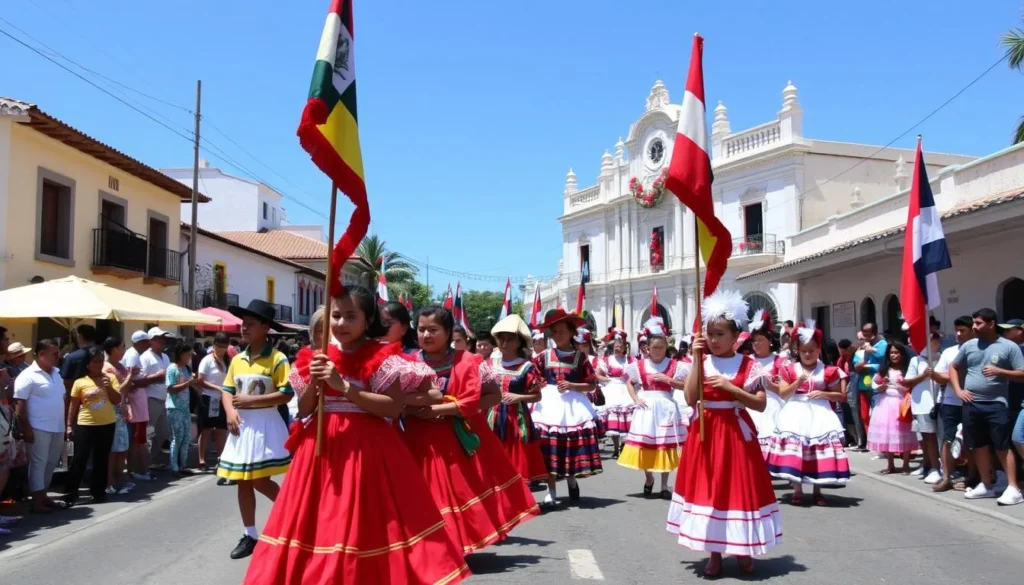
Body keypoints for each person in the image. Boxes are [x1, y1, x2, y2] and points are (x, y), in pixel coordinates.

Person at [243, 287, 469, 585]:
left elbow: (392, 406)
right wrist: (316, 382)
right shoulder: (318, 356)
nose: (341, 324)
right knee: (321, 521)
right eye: (336, 315)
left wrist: (344, 385)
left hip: (367, 450)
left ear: (368, 319)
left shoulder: (384, 358)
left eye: (351, 316)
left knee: (362, 522)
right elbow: (306, 410)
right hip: (320, 450)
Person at [405, 305, 539, 553]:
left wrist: (446, 410)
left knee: (455, 492)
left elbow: (493, 396)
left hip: (457, 438)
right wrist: (412, 409)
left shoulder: (470, 362)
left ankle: (455, 546)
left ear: (447, 332)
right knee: (424, 493)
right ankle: (433, 546)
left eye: (433, 329)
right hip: (418, 440)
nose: (426, 335)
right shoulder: (407, 363)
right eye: (422, 329)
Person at [666, 290, 781, 578]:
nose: (713, 340)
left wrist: (733, 390)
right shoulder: (701, 362)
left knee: (738, 491)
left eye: (719, 334)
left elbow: (761, 404)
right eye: (710, 334)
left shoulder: (748, 365)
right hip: (705, 432)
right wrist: (695, 357)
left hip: (736, 433)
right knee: (711, 491)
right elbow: (691, 399)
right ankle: (714, 553)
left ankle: (742, 548)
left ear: (735, 337)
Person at [219, 300, 294, 559]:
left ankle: (295, 513)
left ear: (265, 328)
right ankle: (250, 534)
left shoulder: (278, 358)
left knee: (260, 479)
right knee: (242, 481)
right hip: (242, 426)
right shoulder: (237, 359)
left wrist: (251, 401)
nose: (244, 329)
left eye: (250, 325)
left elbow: (286, 394)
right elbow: (228, 390)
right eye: (243, 324)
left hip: (265, 424)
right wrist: (230, 412)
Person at [766, 320, 850, 505]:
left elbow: (840, 396)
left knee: (816, 450)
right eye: (804, 350)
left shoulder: (828, 371)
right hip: (795, 411)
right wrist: (798, 382)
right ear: (798, 350)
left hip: (820, 412)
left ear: (818, 349)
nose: (807, 354)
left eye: (811, 350)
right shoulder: (789, 369)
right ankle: (797, 489)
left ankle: (817, 491)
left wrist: (824, 393)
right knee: (797, 449)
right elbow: (783, 393)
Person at [948, 308, 1024, 504]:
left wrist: (1000, 371)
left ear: (991, 324)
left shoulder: (1008, 347)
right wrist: (958, 390)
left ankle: (1013, 488)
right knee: (978, 446)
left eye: (979, 323)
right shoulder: (969, 345)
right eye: (973, 323)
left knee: (1002, 445)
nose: (974, 327)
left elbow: (1022, 373)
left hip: (997, 404)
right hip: (971, 404)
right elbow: (954, 367)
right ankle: (986, 485)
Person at [530, 308, 603, 506]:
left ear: (571, 333)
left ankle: (571, 479)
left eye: (562, 331)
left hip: (573, 406)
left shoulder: (581, 358)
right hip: (548, 405)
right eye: (554, 332)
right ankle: (551, 490)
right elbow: (534, 378)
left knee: (569, 446)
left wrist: (572, 385)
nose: (557, 336)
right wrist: (540, 386)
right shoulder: (542, 356)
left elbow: (591, 384)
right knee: (549, 448)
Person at [618, 317, 687, 499]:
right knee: (646, 445)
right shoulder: (639, 365)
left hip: (666, 407)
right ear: (647, 348)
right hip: (647, 407)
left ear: (666, 347)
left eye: (661, 347)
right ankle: (649, 477)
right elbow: (630, 382)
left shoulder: (675, 365)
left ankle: (664, 485)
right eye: (654, 347)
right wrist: (636, 399)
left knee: (665, 445)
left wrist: (669, 381)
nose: (658, 351)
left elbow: (686, 385)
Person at [487, 315, 548, 485]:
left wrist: (518, 397)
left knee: (515, 457)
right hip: (490, 417)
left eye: (510, 340)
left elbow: (537, 395)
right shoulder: (490, 363)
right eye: (501, 339)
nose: (504, 344)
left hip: (515, 419)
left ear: (519, 342)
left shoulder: (527, 367)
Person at [13, 339, 68, 513]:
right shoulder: (28, 375)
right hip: (38, 427)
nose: (58, 356)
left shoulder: (56, 373)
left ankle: (43, 496)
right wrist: (27, 428)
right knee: (38, 463)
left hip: (57, 427)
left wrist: (65, 424)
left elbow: (62, 399)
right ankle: (36, 501)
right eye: (54, 353)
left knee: (51, 463)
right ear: (41, 355)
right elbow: (19, 405)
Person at [65, 346, 122, 504]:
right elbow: (73, 405)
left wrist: (108, 387)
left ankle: (98, 492)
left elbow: (117, 400)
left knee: (101, 459)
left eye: (101, 361)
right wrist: (69, 425)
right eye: (95, 362)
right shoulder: (80, 382)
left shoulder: (109, 378)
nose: (99, 365)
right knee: (79, 459)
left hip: (107, 423)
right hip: (85, 424)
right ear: (87, 364)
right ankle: (71, 492)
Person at [930, 316, 975, 492]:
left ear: (972, 330)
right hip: (950, 402)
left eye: (962, 330)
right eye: (956, 330)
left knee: (972, 441)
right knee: (947, 440)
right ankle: (947, 477)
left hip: (972, 401)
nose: (958, 334)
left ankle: (973, 475)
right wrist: (951, 377)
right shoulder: (949, 352)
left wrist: (952, 377)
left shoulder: (980, 350)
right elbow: (939, 375)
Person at [869, 342, 918, 474]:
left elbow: (910, 386)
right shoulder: (884, 370)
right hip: (885, 403)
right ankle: (890, 464)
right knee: (887, 434)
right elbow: (874, 385)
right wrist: (881, 386)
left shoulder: (907, 370)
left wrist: (899, 385)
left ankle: (906, 464)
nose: (894, 355)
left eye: (897, 353)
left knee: (905, 433)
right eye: (891, 353)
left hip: (902, 403)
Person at [745, 310, 786, 458]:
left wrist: (767, 384)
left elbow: (784, 391)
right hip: (751, 404)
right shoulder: (747, 361)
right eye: (753, 341)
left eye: (760, 340)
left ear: (769, 341)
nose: (756, 344)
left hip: (773, 406)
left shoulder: (780, 361)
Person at [904, 333, 942, 484]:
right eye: (932, 339)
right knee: (926, 437)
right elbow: (907, 381)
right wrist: (923, 375)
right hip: (922, 404)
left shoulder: (943, 356)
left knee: (939, 437)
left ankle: (939, 466)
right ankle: (929, 466)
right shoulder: (916, 360)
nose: (935, 342)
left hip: (940, 401)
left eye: (937, 339)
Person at [102, 337, 135, 495]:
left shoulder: (120, 366)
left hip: (121, 410)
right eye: (122, 347)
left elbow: (126, 391)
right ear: (114, 349)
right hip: (111, 411)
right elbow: (115, 391)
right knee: (112, 449)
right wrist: (129, 378)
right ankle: (109, 482)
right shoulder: (106, 368)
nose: (124, 350)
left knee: (122, 447)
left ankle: (120, 479)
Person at [596, 329, 636, 457]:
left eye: (620, 347)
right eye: (616, 347)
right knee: (613, 417)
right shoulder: (608, 360)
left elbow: (636, 375)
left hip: (626, 388)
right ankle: (615, 447)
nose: (617, 349)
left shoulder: (630, 360)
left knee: (626, 417)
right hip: (612, 389)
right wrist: (608, 379)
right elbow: (597, 374)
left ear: (624, 348)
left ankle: (625, 444)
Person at [197, 332, 230, 478]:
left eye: (225, 346)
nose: (222, 349)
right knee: (207, 429)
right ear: (215, 345)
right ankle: (201, 458)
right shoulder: (207, 360)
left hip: (223, 399)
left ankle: (220, 457)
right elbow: (200, 380)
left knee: (221, 429)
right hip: (209, 397)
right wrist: (218, 388)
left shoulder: (227, 360)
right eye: (220, 346)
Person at [138, 327, 173, 471]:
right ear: (151, 341)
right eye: (158, 338)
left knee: (162, 431)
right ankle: (145, 462)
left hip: (165, 398)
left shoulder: (165, 357)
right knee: (149, 431)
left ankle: (154, 458)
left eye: (163, 338)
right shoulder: (145, 357)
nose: (162, 341)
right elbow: (140, 379)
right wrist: (157, 377)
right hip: (151, 398)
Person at [120, 331, 151, 482]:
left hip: (139, 400)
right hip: (135, 402)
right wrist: (145, 380)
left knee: (138, 439)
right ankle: (133, 470)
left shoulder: (135, 354)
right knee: (136, 439)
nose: (149, 344)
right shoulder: (132, 355)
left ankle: (136, 469)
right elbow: (130, 379)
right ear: (140, 342)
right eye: (146, 341)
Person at [165, 344, 195, 478]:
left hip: (185, 407)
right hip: (174, 406)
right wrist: (187, 384)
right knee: (177, 436)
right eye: (187, 354)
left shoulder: (186, 369)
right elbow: (170, 388)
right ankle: (174, 465)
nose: (189, 357)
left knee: (186, 436)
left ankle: (183, 464)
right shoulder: (172, 368)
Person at [60, 324, 98, 396]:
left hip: (76, 397)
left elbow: (65, 381)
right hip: (99, 395)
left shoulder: (72, 357)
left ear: (80, 336)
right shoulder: (103, 354)